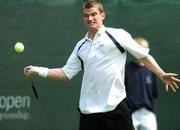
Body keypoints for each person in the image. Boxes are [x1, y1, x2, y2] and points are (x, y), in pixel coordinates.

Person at [24, 0, 180, 130]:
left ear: (102, 15)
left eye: (94, 14)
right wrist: (38, 70)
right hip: (88, 113)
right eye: (86, 15)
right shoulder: (80, 46)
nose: (90, 18)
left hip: (116, 109)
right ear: (83, 18)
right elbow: (66, 74)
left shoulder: (118, 35)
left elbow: (144, 56)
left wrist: (161, 74)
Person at [125, 37, 158, 130]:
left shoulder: (151, 70)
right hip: (130, 113)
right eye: (138, 50)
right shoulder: (125, 70)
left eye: (144, 50)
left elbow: (153, 93)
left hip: (148, 113)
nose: (141, 53)